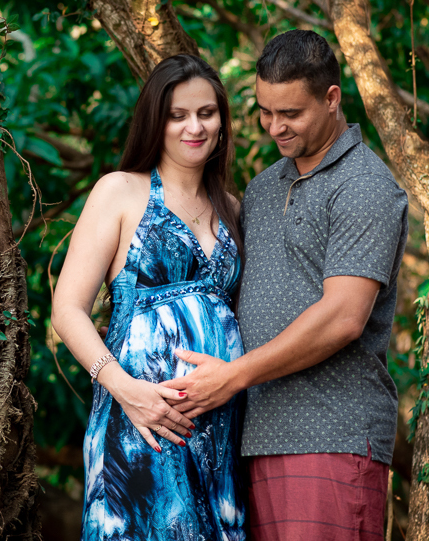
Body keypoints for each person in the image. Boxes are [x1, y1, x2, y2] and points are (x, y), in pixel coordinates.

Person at [164, 30, 408, 541]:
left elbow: (344, 317)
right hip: (255, 438)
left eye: (291, 114)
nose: (275, 126)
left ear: (332, 99)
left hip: (331, 434)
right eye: (264, 111)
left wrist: (232, 376)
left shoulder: (364, 184)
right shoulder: (262, 186)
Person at [50, 54, 247, 541]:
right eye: (177, 115)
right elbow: (67, 310)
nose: (193, 127)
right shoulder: (119, 192)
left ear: (222, 120)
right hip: (140, 425)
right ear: (155, 122)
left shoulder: (235, 209)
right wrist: (127, 390)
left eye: (206, 113)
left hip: (221, 433)